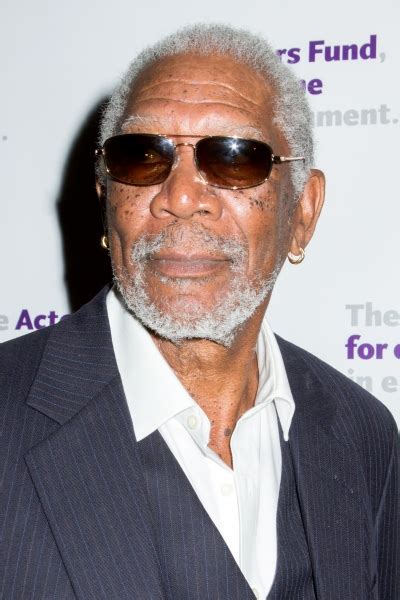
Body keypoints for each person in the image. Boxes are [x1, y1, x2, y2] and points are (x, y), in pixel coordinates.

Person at [1, 24, 398, 600]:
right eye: (142, 156)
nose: (181, 197)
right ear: (106, 197)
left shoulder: (363, 435)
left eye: (234, 158)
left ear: (303, 211)